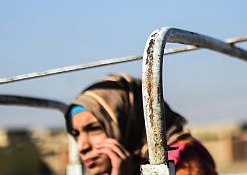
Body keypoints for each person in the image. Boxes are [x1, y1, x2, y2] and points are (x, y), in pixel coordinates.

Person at [65, 73, 217, 175]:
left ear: (130, 121)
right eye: (76, 134)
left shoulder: (183, 163)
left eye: (94, 129)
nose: (82, 147)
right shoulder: (117, 169)